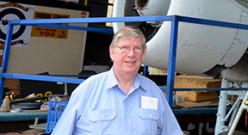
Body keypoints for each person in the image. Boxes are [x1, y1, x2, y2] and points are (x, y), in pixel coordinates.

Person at [52, 26, 183, 134]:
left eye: (137, 48)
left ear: (143, 54)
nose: (131, 54)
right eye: (124, 48)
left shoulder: (154, 92)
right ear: (112, 52)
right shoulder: (88, 90)